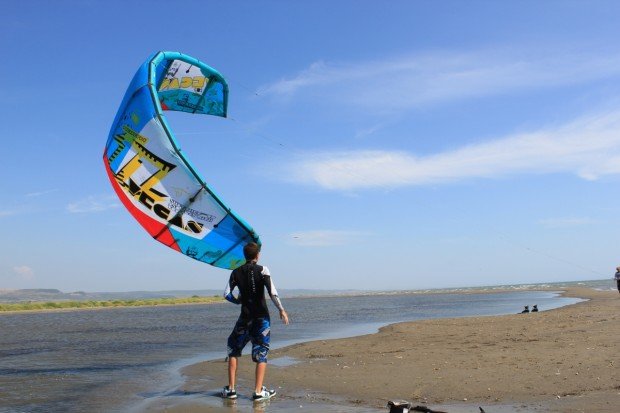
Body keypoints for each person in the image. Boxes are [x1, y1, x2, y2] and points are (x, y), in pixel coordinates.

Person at [221, 242, 290, 401]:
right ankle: (258, 392)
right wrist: (281, 310)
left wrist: (238, 301)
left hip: (245, 318)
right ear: (257, 255)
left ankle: (231, 390)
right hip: (261, 319)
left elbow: (226, 294)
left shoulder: (236, 272)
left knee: (233, 349)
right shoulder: (263, 270)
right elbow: (272, 292)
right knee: (261, 353)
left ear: (244, 256)